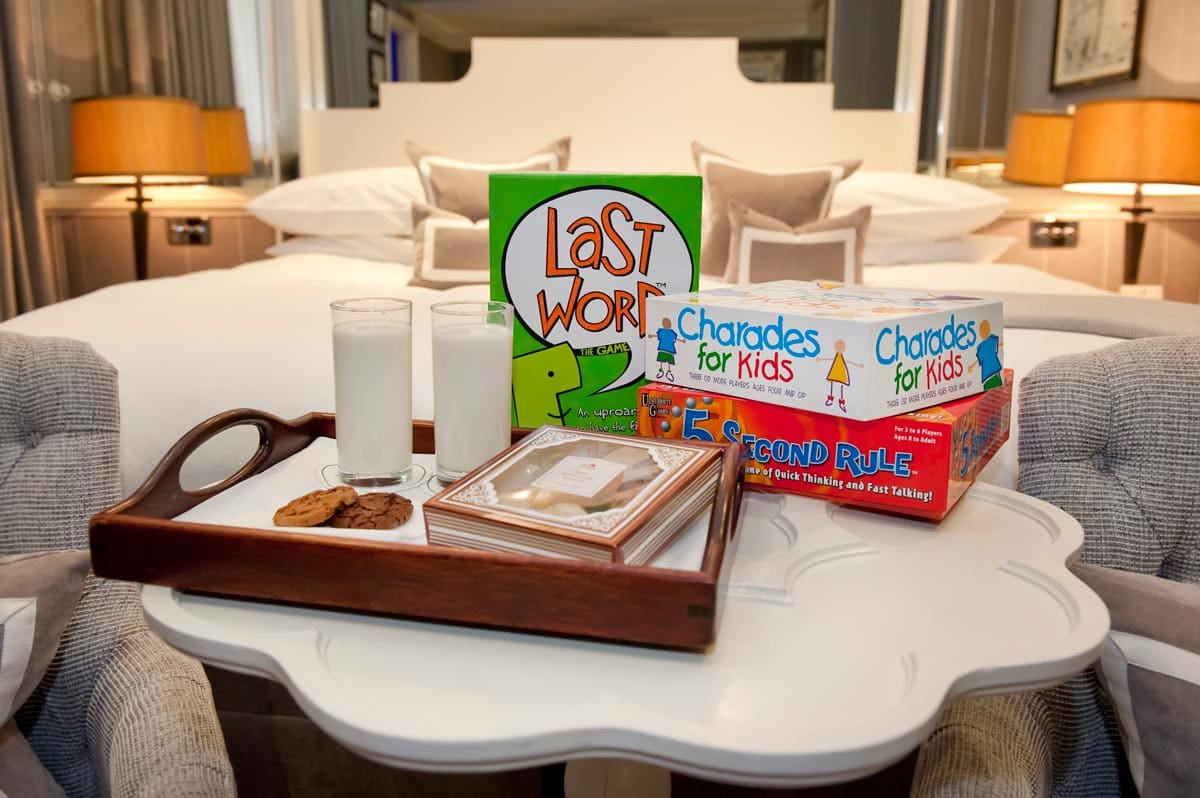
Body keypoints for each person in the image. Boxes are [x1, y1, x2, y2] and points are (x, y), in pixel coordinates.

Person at [817, 339, 863, 413]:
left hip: (841, 374)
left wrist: (858, 365)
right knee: (832, 385)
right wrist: (821, 359)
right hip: (835, 372)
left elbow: (847, 361)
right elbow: (832, 359)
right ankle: (830, 399)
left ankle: (841, 402)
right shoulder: (836, 355)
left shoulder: (841, 356)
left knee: (840, 387)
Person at [968, 320, 1004, 390]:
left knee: (997, 390)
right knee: (987, 392)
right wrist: (972, 366)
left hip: (994, 372)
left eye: (984, 330)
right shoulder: (980, 346)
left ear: (988, 330)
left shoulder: (992, 339)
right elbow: (979, 359)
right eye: (981, 331)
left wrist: (1002, 344)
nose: (982, 333)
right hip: (986, 376)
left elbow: (998, 344)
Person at [653, 317, 678, 382]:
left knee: (668, 362)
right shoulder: (664, 331)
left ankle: (668, 372)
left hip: (669, 350)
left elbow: (659, 336)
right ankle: (662, 371)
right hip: (664, 349)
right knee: (662, 360)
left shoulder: (670, 332)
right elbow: (674, 339)